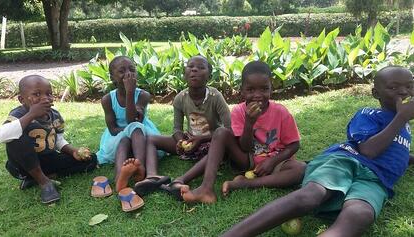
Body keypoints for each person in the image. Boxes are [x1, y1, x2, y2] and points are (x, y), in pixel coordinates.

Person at [221, 66, 414, 237]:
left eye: (409, 86)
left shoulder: (405, 127)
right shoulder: (369, 114)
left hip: (376, 179)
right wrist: (401, 117)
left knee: (361, 213)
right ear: (375, 93)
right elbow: (367, 150)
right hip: (345, 160)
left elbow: (398, 153)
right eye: (394, 87)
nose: (404, 92)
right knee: (310, 196)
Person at [180, 61, 306, 204]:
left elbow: (294, 145)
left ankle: (244, 184)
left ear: (271, 88)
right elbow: (245, 147)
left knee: (300, 169)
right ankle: (206, 189)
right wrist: (249, 122)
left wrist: (272, 161)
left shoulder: (281, 112)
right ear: (242, 90)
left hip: (277, 160)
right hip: (248, 158)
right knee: (221, 132)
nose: (257, 95)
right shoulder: (238, 111)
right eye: (251, 90)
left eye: (264, 89)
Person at [0, 75, 97, 204]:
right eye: (37, 94)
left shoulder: (54, 115)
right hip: (23, 164)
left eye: (49, 94)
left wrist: (73, 152)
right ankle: (44, 183)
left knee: (91, 160)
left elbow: (58, 140)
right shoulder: (18, 115)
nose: (44, 98)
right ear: (22, 99)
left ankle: (37, 178)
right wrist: (32, 114)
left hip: (47, 159)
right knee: (15, 137)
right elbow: (2, 136)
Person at [147, 55, 231, 199]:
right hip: (190, 140)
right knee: (150, 139)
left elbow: (228, 129)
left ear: (209, 76)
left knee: (217, 151)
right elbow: (177, 129)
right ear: (185, 74)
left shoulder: (215, 96)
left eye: (200, 68)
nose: (194, 70)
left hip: (210, 142)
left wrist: (201, 139)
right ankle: (152, 176)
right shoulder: (180, 98)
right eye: (190, 67)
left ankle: (182, 179)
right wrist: (180, 141)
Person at [95, 56, 168, 197]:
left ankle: (137, 166)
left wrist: (130, 93)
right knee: (125, 139)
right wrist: (129, 92)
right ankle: (121, 176)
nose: (128, 74)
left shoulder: (143, 95)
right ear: (112, 78)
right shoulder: (107, 100)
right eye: (122, 71)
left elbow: (133, 119)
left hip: (140, 136)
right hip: (117, 137)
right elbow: (113, 129)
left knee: (135, 126)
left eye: (132, 70)